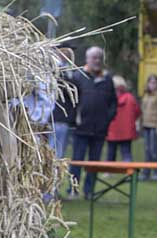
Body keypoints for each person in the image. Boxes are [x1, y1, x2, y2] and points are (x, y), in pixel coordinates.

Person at [68, 46, 117, 198]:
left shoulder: (107, 79)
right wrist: (74, 119)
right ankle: (73, 190)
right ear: (87, 59)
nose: (97, 60)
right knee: (77, 161)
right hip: (81, 128)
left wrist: (107, 119)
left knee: (94, 163)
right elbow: (71, 101)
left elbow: (113, 103)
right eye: (94, 57)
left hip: (99, 130)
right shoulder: (78, 76)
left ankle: (89, 191)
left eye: (99, 58)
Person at [105, 76, 140, 162]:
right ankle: (128, 169)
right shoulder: (130, 97)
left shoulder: (108, 97)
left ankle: (108, 171)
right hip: (127, 131)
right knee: (126, 152)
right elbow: (137, 111)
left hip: (112, 129)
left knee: (111, 152)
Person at [52, 46, 77, 159]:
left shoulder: (71, 72)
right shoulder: (54, 70)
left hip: (62, 117)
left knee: (58, 150)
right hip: (52, 116)